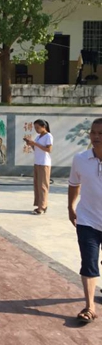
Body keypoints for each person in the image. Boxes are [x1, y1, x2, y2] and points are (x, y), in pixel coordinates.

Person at [68, 118, 102, 323]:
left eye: (101, 133)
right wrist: (70, 207)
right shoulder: (80, 159)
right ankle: (90, 307)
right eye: (93, 132)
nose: (96, 137)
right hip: (87, 220)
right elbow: (74, 184)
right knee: (89, 261)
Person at [24, 119, 53, 215]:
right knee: (37, 185)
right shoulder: (38, 137)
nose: (36, 129)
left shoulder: (48, 136)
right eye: (35, 128)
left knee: (43, 186)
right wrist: (31, 144)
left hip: (44, 163)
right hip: (37, 162)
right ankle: (39, 205)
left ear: (43, 127)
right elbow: (36, 149)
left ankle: (43, 207)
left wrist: (35, 143)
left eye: (38, 127)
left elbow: (49, 149)